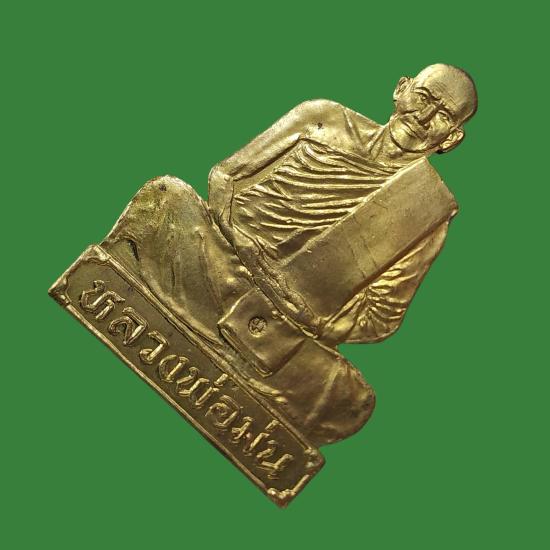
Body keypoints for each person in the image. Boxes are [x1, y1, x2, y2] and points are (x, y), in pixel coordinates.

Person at [102, 64, 478, 446]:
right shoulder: (323, 117)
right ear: (401, 89)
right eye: (424, 98)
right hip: (221, 256)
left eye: (443, 115)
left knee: (349, 399)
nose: (423, 118)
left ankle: (190, 317)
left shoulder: (428, 213)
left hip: (281, 323)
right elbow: (225, 177)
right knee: (166, 198)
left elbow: (380, 318)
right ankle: (228, 350)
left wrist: (308, 317)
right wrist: (241, 242)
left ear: (452, 137)